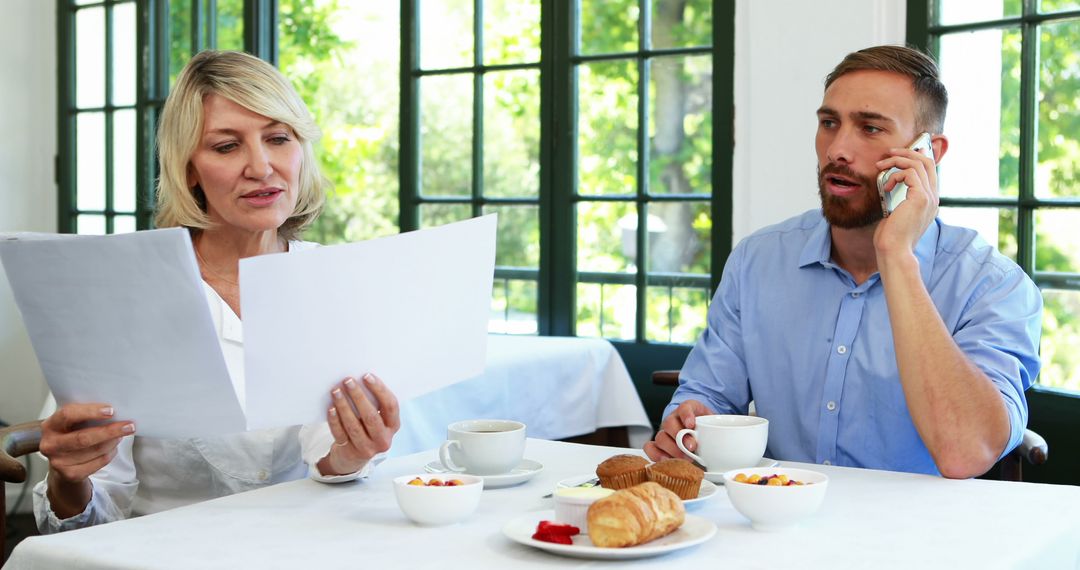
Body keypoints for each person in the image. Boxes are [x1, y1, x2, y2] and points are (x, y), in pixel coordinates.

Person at [33, 50, 401, 532]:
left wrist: (350, 456)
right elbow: (85, 519)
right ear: (188, 169)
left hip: (305, 550)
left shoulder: (334, 281)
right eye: (227, 146)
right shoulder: (123, 296)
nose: (262, 166)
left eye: (277, 138)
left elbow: (327, 463)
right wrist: (68, 480)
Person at [644, 45, 1042, 479]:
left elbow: (966, 452)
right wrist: (691, 420)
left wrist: (897, 256)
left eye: (870, 128)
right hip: (775, 523)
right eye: (829, 123)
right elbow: (708, 398)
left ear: (930, 153)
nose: (838, 149)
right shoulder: (758, 261)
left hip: (921, 539)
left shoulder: (993, 286)